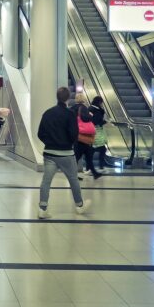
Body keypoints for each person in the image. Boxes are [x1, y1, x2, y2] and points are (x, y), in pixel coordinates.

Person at [36, 87, 92, 219]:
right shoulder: (70, 114)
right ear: (67, 98)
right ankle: (79, 206)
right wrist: (68, 143)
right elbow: (74, 134)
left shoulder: (48, 113)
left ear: (57, 97)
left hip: (49, 153)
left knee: (46, 181)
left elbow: (40, 133)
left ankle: (42, 208)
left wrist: (50, 142)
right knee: (73, 179)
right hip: (66, 153)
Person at [72, 93, 102, 179]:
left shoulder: (72, 108)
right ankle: (93, 173)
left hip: (77, 135)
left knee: (80, 156)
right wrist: (90, 115)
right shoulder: (84, 107)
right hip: (85, 136)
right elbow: (86, 118)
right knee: (85, 156)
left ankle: (94, 173)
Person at [89, 96, 111, 171]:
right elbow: (97, 121)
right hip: (97, 131)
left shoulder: (90, 108)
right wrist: (105, 121)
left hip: (90, 131)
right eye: (101, 103)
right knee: (102, 149)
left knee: (92, 149)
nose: (102, 104)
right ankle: (101, 166)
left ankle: (90, 167)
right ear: (99, 102)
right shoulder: (97, 110)